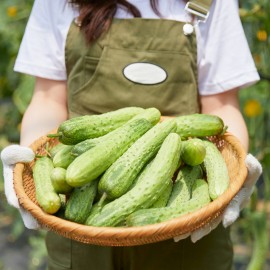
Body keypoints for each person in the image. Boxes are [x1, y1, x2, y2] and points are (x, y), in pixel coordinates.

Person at [0, 0, 263, 269]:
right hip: (79, 217)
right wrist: (31, 162)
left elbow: (221, 107)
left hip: (185, 216)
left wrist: (231, 177)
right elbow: (47, 98)